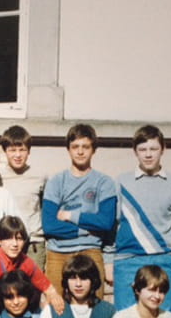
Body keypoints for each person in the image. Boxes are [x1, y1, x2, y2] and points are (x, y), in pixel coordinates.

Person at [113, 124, 171, 312]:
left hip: (164, 260)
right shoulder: (121, 182)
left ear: (163, 149)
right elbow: (112, 225)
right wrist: (108, 261)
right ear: (135, 151)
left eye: (153, 149)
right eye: (142, 149)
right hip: (127, 260)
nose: (148, 155)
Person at [42, 124, 116, 300]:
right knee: (56, 307)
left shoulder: (104, 183)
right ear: (68, 149)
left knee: (94, 306)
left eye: (86, 147)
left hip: (90, 250)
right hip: (58, 252)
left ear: (94, 149)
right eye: (75, 147)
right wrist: (88, 229)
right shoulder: (56, 182)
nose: (80, 152)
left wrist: (70, 216)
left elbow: (106, 222)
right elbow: (49, 225)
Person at [0, 216, 64, 318]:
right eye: (9, 238)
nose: (15, 244)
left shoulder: (26, 262)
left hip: (14, 315)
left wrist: (55, 300)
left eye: (19, 239)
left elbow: (49, 289)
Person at [0, 125, 47, 270]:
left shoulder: (40, 177)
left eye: (22, 149)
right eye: (12, 150)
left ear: (29, 151)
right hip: (6, 243)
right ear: (5, 151)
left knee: (33, 283)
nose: (17, 155)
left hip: (33, 245)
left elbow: (44, 209)